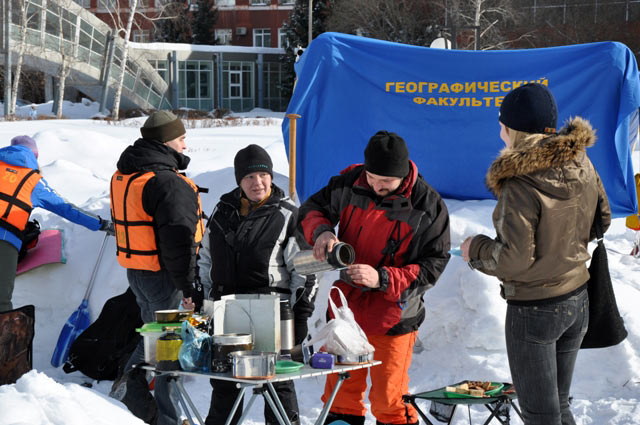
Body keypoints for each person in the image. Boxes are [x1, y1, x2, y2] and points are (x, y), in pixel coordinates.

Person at [460, 83, 611, 425]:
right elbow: (602, 220)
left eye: (502, 126)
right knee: (558, 407)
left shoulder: (519, 180)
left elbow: (511, 260)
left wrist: (475, 249)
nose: (500, 135)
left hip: (535, 311)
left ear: (514, 128)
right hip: (577, 299)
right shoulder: (581, 161)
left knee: (540, 416)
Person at [298, 130, 451, 425]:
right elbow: (311, 209)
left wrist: (382, 278)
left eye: (386, 182)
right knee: (340, 397)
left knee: (388, 401)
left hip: (395, 314)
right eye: (372, 178)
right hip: (346, 315)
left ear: (404, 173)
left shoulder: (428, 204)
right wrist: (323, 231)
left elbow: (434, 265)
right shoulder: (349, 182)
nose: (377, 186)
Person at [197, 144, 317, 425]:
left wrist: (300, 315)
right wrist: (204, 301)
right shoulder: (223, 211)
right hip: (227, 311)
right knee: (224, 381)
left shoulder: (288, 214)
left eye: (263, 175)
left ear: (271, 177)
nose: (257, 182)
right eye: (249, 177)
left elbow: (307, 270)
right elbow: (204, 259)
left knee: (278, 384)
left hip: (273, 312)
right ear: (239, 180)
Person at [109, 110, 205, 425]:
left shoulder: (128, 173)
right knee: (169, 351)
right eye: (180, 138)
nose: (184, 145)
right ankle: (167, 418)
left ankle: (128, 387)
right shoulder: (167, 181)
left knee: (157, 341)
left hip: (139, 272)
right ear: (166, 141)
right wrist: (190, 286)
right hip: (165, 277)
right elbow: (178, 243)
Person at [0, 135, 113, 312]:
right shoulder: (32, 181)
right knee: (1, 303)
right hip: (4, 242)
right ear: (34, 157)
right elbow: (66, 208)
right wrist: (101, 224)